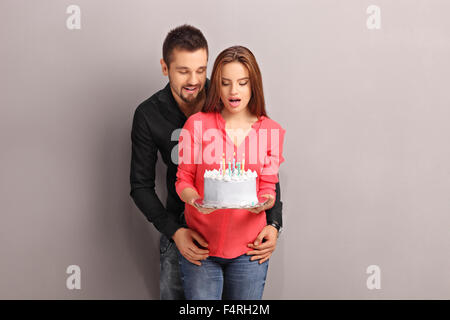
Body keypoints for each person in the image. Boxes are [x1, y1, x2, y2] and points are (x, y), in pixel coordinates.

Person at [129, 25, 283, 300]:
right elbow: (141, 186)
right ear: (165, 68)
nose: (194, 79)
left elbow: (263, 173)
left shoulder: (229, 92)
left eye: (201, 70)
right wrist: (175, 233)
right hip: (180, 231)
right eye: (183, 71)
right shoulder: (149, 114)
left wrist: (273, 223)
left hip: (242, 239)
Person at [175, 45, 286, 300]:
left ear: (253, 85)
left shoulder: (270, 131)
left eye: (242, 83)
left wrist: (265, 204)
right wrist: (194, 200)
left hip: (250, 249)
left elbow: (268, 186)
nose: (233, 91)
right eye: (225, 83)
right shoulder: (197, 125)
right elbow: (183, 180)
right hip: (201, 247)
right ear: (217, 86)